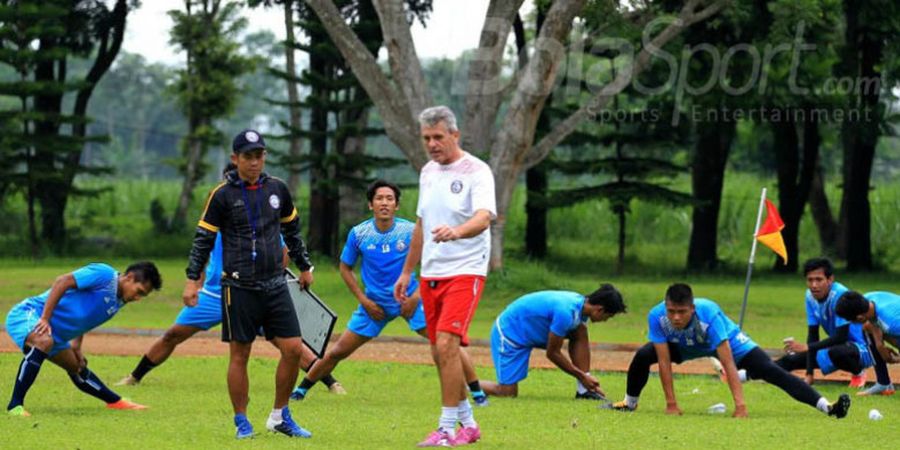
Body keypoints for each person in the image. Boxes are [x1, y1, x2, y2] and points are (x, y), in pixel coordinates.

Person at [117, 164, 344, 396]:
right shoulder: (218, 211)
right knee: (173, 334)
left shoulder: (259, 218)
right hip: (214, 294)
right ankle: (135, 376)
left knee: (286, 343)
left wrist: (273, 278)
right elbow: (202, 250)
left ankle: (331, 382)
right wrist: (195, 283)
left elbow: (283, 250)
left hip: (250, 291)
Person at [290, 180, 487, 405]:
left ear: (397, 205)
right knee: (338, 351)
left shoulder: (410, 231)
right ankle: (301, 390)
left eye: (389, 199)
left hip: (409, 300)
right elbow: (345, 268)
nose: (384, 203)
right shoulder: (359, 234)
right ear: (370, 205)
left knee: (446, 343)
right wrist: (364, 301)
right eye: (379, 199)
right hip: (375, 305)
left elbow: (435, 261)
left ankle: (478, 393)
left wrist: (416, 296)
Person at [183, 129, 314, 439]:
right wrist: (192, 279)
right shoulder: (221, 195)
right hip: (238, 287)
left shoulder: (278, 189)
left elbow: (292, 231)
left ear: (264, 156)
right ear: (235, 159)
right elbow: (204, 239)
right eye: (248, 156)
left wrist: (304, 266)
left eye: (259, 155)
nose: (254, 162)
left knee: (294, 349)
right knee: (240, 354)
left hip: (275, 284)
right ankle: (241, 420)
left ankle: (279, 415)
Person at [394, 106, 495, 447]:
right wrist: (408, 271)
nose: (433, 144)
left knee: (447, 345)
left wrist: (457, 232)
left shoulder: (477, 171)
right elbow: (421, 223)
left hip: (466, 270)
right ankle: (468, 424)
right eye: (427, 138)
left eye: (438, 137)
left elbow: (483, 218)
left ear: (455, 135)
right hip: (431, 273)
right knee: (439, 352)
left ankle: (446, 429)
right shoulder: (427, 172)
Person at [605, 283, 851, 419]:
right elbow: (664, 362)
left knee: (769, 369)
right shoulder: (657, 317)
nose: (676, 317)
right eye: (672, 312)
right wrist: (671, 404)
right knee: (643, 355)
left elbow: (728, 362)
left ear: (692, 308)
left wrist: (740, 406)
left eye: (682, 311)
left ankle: (827, 407)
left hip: (725, 341)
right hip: (683, 345)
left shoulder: (708, 314)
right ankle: (629, 403)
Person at [5, 262, 162, 416]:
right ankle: (15, 405)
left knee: (77, 367)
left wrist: (77, 347)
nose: (138, 298)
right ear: (129, 277)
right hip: (31, 314)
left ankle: (115, 401)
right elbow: (62, 281)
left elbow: (83, 319)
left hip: (54, 334)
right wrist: (45, 318)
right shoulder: (105, 275)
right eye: (139, 291)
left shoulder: (119, 301)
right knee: (43, 341)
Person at [480, 285, 626, 399]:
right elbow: (552, 353)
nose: (606, 320)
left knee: (580, 330)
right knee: (507, 392)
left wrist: (585, 379)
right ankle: (464, 385)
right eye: (609, 316)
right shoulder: (566, 312)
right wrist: (582, 376)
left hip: (529, 330)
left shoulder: (580, 307)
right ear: (599, 310)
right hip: (510, 334)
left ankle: (583, 391)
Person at [776, 258, 873, 388]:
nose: (814, 285)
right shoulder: (810, 296)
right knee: (790, 359)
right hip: (836, 347)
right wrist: (809, 373)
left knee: (837, 352)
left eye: (819, 279)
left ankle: (858, 373)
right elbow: (813, 335)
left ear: (830, 279)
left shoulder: (840, 294)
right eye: (810, 280)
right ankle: (748, 374)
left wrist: (809, 347)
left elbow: (841, 337)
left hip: (863, 348)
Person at [835, 290, 900, 396]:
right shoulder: (868, 300)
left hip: (896, 325)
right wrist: (879, 345)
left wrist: (896, 359)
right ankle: (883, 382)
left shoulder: (892, 323)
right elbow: (870, 323)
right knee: (867, 328)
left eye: (850, 320)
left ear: (859, 317)